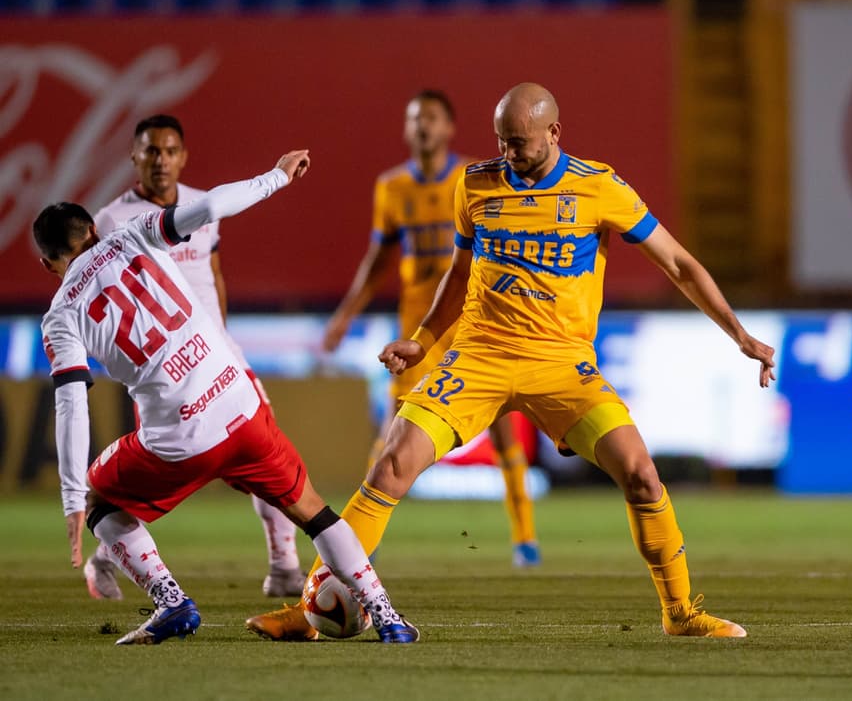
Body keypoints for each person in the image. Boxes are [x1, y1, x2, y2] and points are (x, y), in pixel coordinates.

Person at [248, 82, 775, 641]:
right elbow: (459, 272)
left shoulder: (599, 188)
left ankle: (681, 615)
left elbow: (679, 264)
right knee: (389, 469)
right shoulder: (474, 184)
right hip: (478, 358)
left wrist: (738, 334)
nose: (508, 154)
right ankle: (309, 611)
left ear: (555, 133)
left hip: (563, 365)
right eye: (500, 142)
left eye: (519, 143)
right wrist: (424, 341)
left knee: (643, 477)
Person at [36, 150, 418, 644]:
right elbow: (214, 205)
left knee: (99, 501)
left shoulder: (60, 314)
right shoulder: (133, 233)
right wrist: (276, 176)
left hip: (180, 436)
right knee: (317, 513)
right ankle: (387, 616)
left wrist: (70, 497)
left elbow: (72, 403)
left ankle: (172, 602)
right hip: (241, 405)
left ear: (49, 263)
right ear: (93, 230)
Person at [80, 114, 305, 602]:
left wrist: (222, 335)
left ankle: (284, 565)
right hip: (165, 372)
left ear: (183, 156)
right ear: (134, 157)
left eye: (169, 151)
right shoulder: (110, 221)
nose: (160, 160)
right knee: (163, 475)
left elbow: (214, 272)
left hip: (222, 359)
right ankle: (106, 553)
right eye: (151, 151)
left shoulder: (205, 206)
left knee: (268, 446)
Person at [321, 90, 540, 567]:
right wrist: (345, 316)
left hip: (474, 323)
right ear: (406, 130)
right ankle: (355, 543)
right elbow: (378, 260)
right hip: (419, 331)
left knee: (503, 431)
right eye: (414, 119)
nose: (422, 127)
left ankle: (525, 539)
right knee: (391, 433)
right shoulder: (392, 188)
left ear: (449, 128)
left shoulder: (476, 180)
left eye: (432, 118)